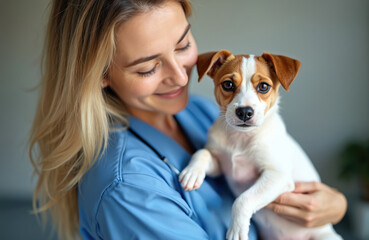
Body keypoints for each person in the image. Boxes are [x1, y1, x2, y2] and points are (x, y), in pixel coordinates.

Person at [29, 0, 347, 239]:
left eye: (183, 45)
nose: (182, 76)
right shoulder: (129, 190)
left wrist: (336, 207)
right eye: (147, 67)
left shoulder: (203, 112)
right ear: (99, 74)